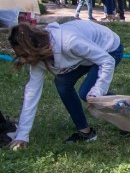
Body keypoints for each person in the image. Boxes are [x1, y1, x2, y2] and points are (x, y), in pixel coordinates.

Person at [6, 21, 124, 149]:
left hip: (109, 48)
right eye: (19, 56)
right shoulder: (39, 56)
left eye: (24, 55)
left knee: (87, 92)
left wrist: (98, 89)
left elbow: (107, 60)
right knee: (62, 83)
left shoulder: (70, 42)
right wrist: (22, 135)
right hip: (84, 56)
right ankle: (86, 132)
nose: (23, 61)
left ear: (35, 47)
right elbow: (31, 93)